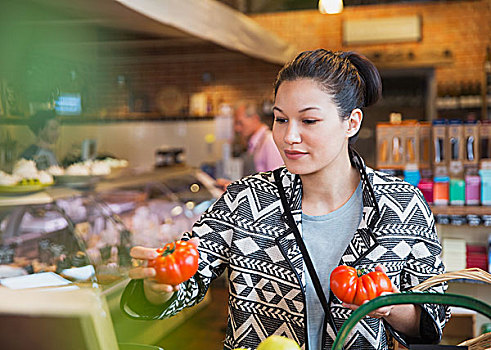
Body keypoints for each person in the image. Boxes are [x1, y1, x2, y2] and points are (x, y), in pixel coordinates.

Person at [121, 49, 450, 350]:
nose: (289, 136)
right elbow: (189, 274)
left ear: (351, 123)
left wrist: (390, 307)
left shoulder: (401, 204)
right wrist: (158, 288)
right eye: (280, 119)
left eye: (308, 121)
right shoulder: (247, 199)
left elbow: (431, 320)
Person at [233, 101, 283, 175]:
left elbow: (277, 180)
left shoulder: (269, 141)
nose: (236, 128)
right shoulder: (256, 142)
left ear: (255, 119)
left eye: (240, 123)